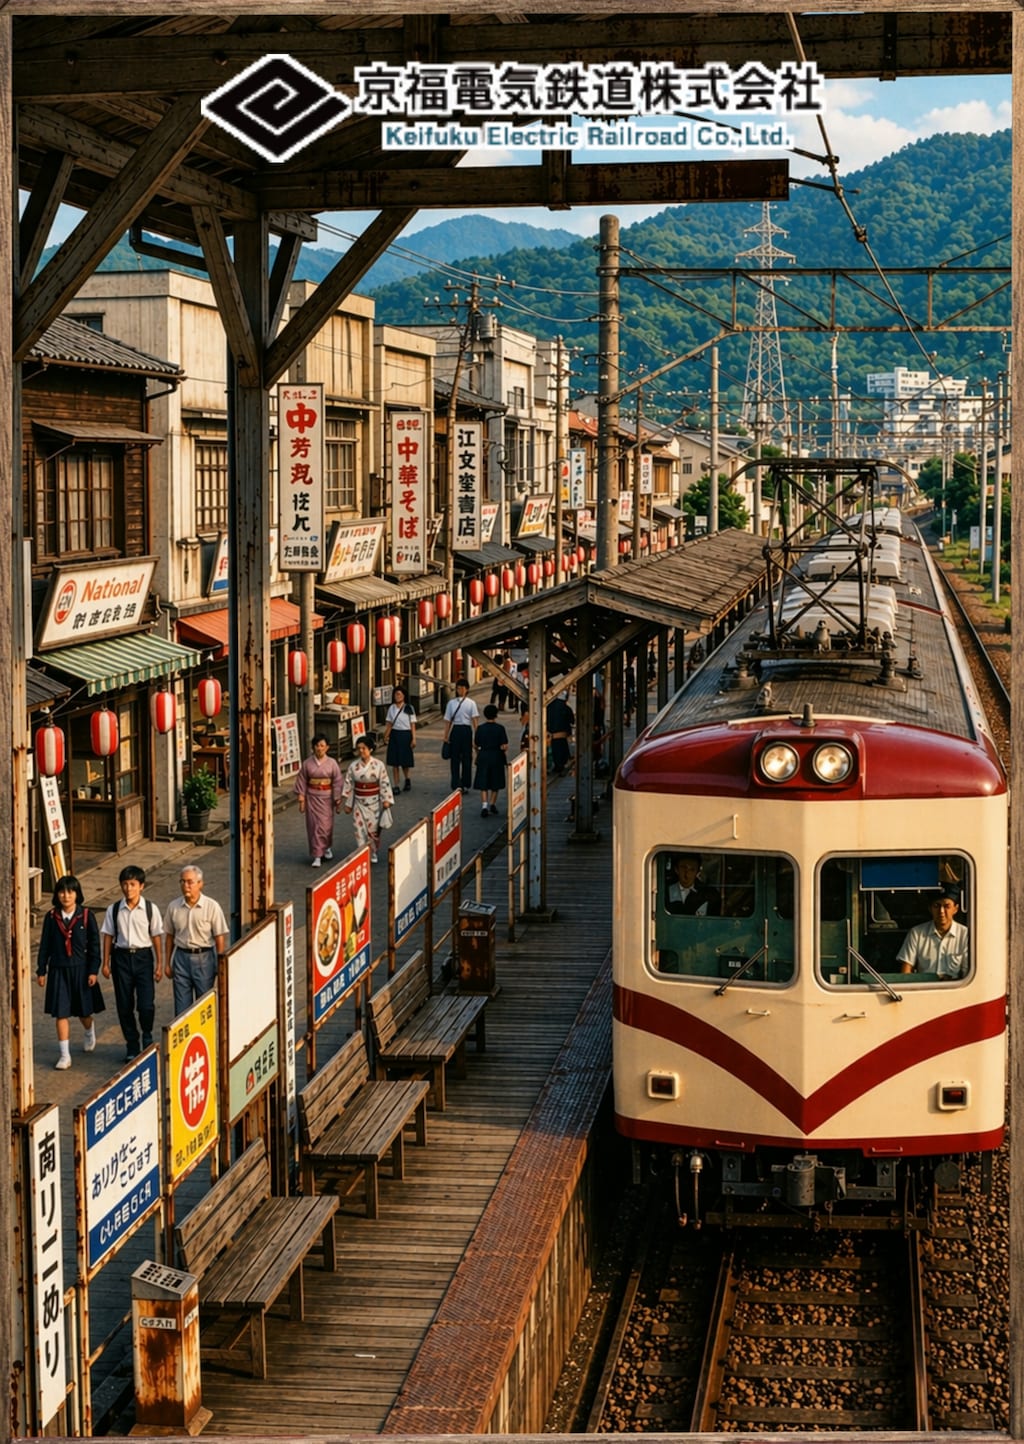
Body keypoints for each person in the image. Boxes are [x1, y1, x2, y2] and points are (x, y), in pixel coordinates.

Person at [36, 875, 104, 1069]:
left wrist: (93, 971)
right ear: (57, 895)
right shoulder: (51, 917)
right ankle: (65, 1055)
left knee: (83, 1011)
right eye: (62, 892)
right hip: (59, 970)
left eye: (70, 892)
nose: (66, 896)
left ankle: (89, 1029)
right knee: (61, 1013)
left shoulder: (86, 916)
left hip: (81, 970)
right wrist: (41, 970)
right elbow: (45, 946)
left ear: (77, 894)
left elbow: (94, 946)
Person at [101, 865, 164, 1062]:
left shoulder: (149, 909)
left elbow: (156, 937)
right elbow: (108, 936)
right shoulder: (113, 910)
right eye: (125, 884)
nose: (129, 889)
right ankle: (132, 1043)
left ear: (141, 886)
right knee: (124, 1004)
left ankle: (146, 1033)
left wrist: (160, 963)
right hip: (121, 958)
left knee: (146, 1004)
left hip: (143, 958)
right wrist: (105, 962)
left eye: (133, 884)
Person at [165, 865, 228, 1017]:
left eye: (189, 882)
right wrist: (167, 963)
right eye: (182, 882)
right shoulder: (173, 907)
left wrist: (220, 964)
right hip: (180, 958)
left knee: (204, 1005)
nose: (185, 885)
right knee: (181, 1008)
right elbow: (169, 936)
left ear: (200, 884)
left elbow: (220, 936)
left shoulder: (212, 906)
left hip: (204, 959)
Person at [342, 732, 394, 863]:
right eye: (359, 748)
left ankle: (373, 852)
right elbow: (349, 784)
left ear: (370, 749)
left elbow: (384, 782)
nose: (361, 751)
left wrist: (386, 799)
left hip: (373, 802)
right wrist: (348, 803)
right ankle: (361, 852)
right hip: (359, 801)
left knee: (373, 830)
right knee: (358, 829)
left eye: (364, 748)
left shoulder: (378, 765)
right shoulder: (353, 766)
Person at [896, 886, 969, 978]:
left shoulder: (965, 935)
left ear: (956, 909)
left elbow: (968, 974)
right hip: (925, 989)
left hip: (955, 989)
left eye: (947, 906)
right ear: (930, 909)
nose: (941, 911)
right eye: (936, 906)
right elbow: (906, 971)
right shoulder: (916, 933)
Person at [295, 733, 344, 867]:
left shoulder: (332, 763)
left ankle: (326, 846)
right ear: (313, 747)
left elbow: (338, 781)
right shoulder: (307, 764)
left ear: (327, 748)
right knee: (313, 826)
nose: (319, 748)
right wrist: (301, 798)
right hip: (312, 797)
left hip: (327, 797)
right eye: (317, 745)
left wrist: (337, 797)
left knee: (325, 826)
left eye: (322, 746)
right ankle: (317, 855)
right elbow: (302, 780)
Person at [442, 676, 479, 792]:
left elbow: (475, 721)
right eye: (458, 688)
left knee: (467, 758)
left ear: (467, 689)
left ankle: (466, 783)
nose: (461, 690)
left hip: (467, 730)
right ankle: (456, 784)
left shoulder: (471, 703)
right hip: (456, 730)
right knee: (455, 758)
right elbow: (448, 721)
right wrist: (446, 735)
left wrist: (476, 738)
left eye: (463, 688)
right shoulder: (451, 703)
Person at [473, 704, 509, 816]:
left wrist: (478, 753)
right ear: (496, 715)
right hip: (496, 756)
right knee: (495, 781)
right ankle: (492, 803)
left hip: (483, 755)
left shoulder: (480, 728)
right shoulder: (500, 728)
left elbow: (475, 744)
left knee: (483, 781)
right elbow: (504, 745)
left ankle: (484, 805)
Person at [383, 684, 417, 792]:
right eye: (395, 694)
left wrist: (414, 738)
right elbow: (389, 724)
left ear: (403, 696)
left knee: (405, 762)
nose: (397, 696)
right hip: (394, 735)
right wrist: (386, 736)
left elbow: (412, 724)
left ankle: (407, 779)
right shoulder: (391, 708)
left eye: (399, 694)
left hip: (406, 735)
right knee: (394, 762)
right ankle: (396, 785)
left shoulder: (409, 708)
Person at [546, 691, 575, 776]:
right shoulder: (564, 706)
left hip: (551, 734)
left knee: (554, 752)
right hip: (563, 734)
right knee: (563, 750)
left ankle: (556, 767)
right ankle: (561, 766)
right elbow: (572, 720)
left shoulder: (548, 706)